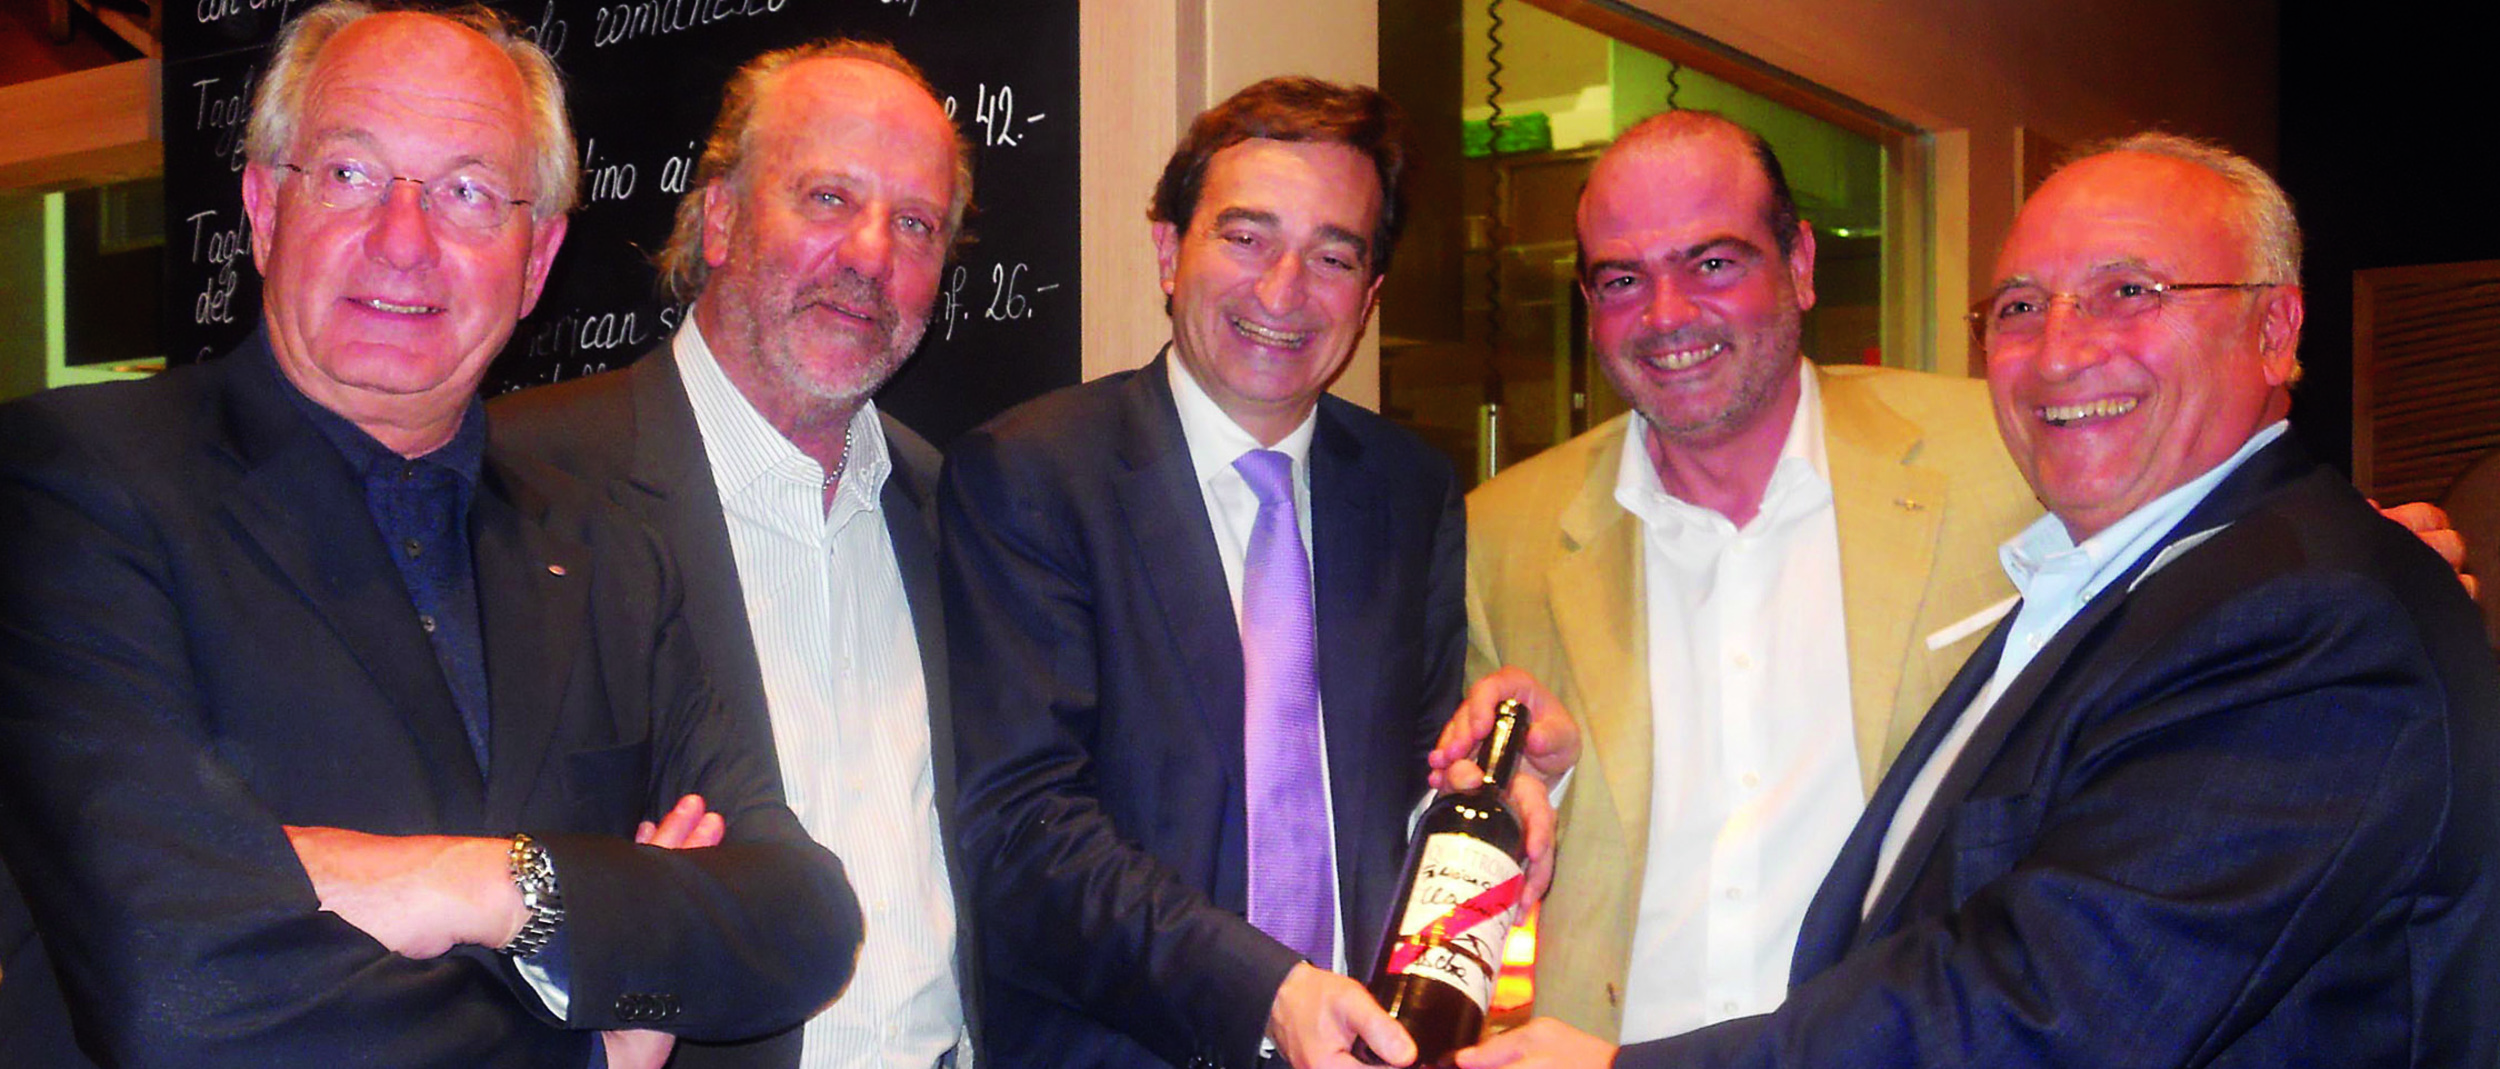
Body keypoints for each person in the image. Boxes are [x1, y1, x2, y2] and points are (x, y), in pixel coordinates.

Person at [1464, 132, 2500, 1067]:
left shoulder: (2262, 585)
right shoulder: (1493, 531)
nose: (2061, 353)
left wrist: (2340, 555)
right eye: (2019, 308)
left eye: (2128, 291)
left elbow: (2065, 1001)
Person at [0, 6, 859, 1067]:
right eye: (349, 174)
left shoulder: (613, 554)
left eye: (466, 193)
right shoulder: (74, 487)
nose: (402, 241)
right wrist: (588, 1044)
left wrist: (495, 885)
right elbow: (179, 994)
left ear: (536, 260)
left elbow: (800, 920)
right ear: (264, 209)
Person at [941, 77, 1569, 1069]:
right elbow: (1023, 833)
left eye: (1333, 256)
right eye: (1245, 236)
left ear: (1368, 298)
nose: (1283, 290)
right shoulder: (1032, 476)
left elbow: (1410, 786)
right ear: (1168, 251)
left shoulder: (1409, 491)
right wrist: (1268, 994)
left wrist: (1497, 785)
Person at [493, 40, 979, 1069]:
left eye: (916, 223)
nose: (870, 256)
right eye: (828, 198)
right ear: (718, 219)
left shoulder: (954, 512)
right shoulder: (525, 486)